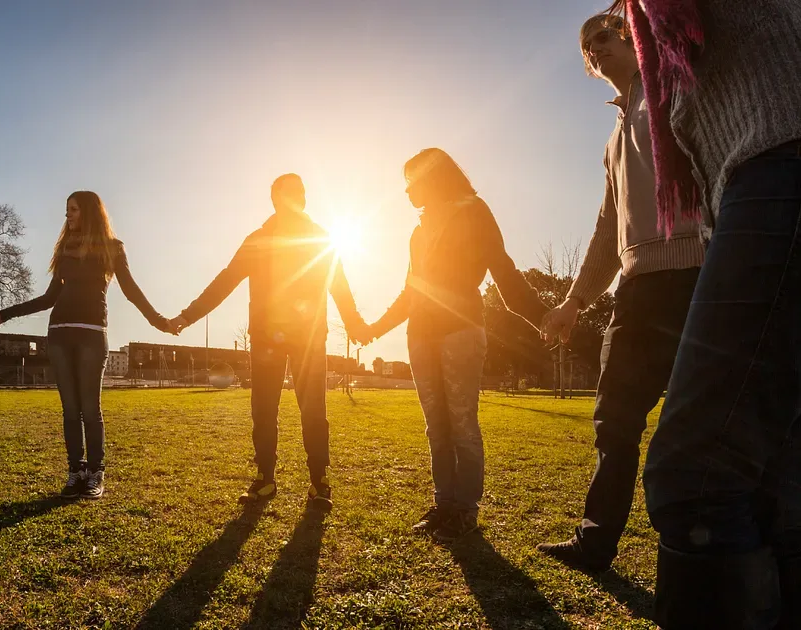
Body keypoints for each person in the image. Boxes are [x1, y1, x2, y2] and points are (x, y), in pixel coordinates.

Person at [608, 0, 801, 626]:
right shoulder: (650, 51)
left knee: (698, 474)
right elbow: (608, 223)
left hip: (782, 163)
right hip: (752, 186)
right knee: (773, 482)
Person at [533, 12, 703, 572]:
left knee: (701, 425)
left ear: (632, 34)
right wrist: (574, 302)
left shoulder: (677, 86)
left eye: (603, 36)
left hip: (699, 278)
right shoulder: (613, 138)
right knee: (615, 422)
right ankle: (595, 542)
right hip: (636, 293)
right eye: (587, 47)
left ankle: (700, 551)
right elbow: (608, 230)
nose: (595, 50)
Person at [359, 149, 547, 542]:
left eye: (411, 181)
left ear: (434, 176)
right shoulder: (418, 232)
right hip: (420, 335)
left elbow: (504, 272)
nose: (407, 191)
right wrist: (375, 328)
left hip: (461, 330)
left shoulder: (474, 211)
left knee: (462, 423)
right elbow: (410, 293)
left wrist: (543, 316)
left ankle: (466, 511)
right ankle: (444, 505)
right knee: (436, 426)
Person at [170, 174, 366, 510]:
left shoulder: (319, 237)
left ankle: (320, 481)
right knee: (263, 409)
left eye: (301, 193)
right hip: (266, 339)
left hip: (308, 337)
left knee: (314, 411)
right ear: (275, 198)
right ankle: (265, 479)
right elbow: (226, 280)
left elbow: (339, 284)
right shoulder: (258, 239)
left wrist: (355, 324)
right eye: (290, 193)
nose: (297, 198)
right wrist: (188, 315)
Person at [0, 192, 168, 499]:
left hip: (91, 333)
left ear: (88, 211)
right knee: (70, 410)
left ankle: (96, 473)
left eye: (72, 210)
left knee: (90, 408)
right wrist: (4, 314)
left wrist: (158, 320)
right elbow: (48, 299)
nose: (67, 216)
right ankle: (75, 472)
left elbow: (130, 290)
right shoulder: (64, 249)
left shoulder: (112, 248)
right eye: (66, 210)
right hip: (59, 333)